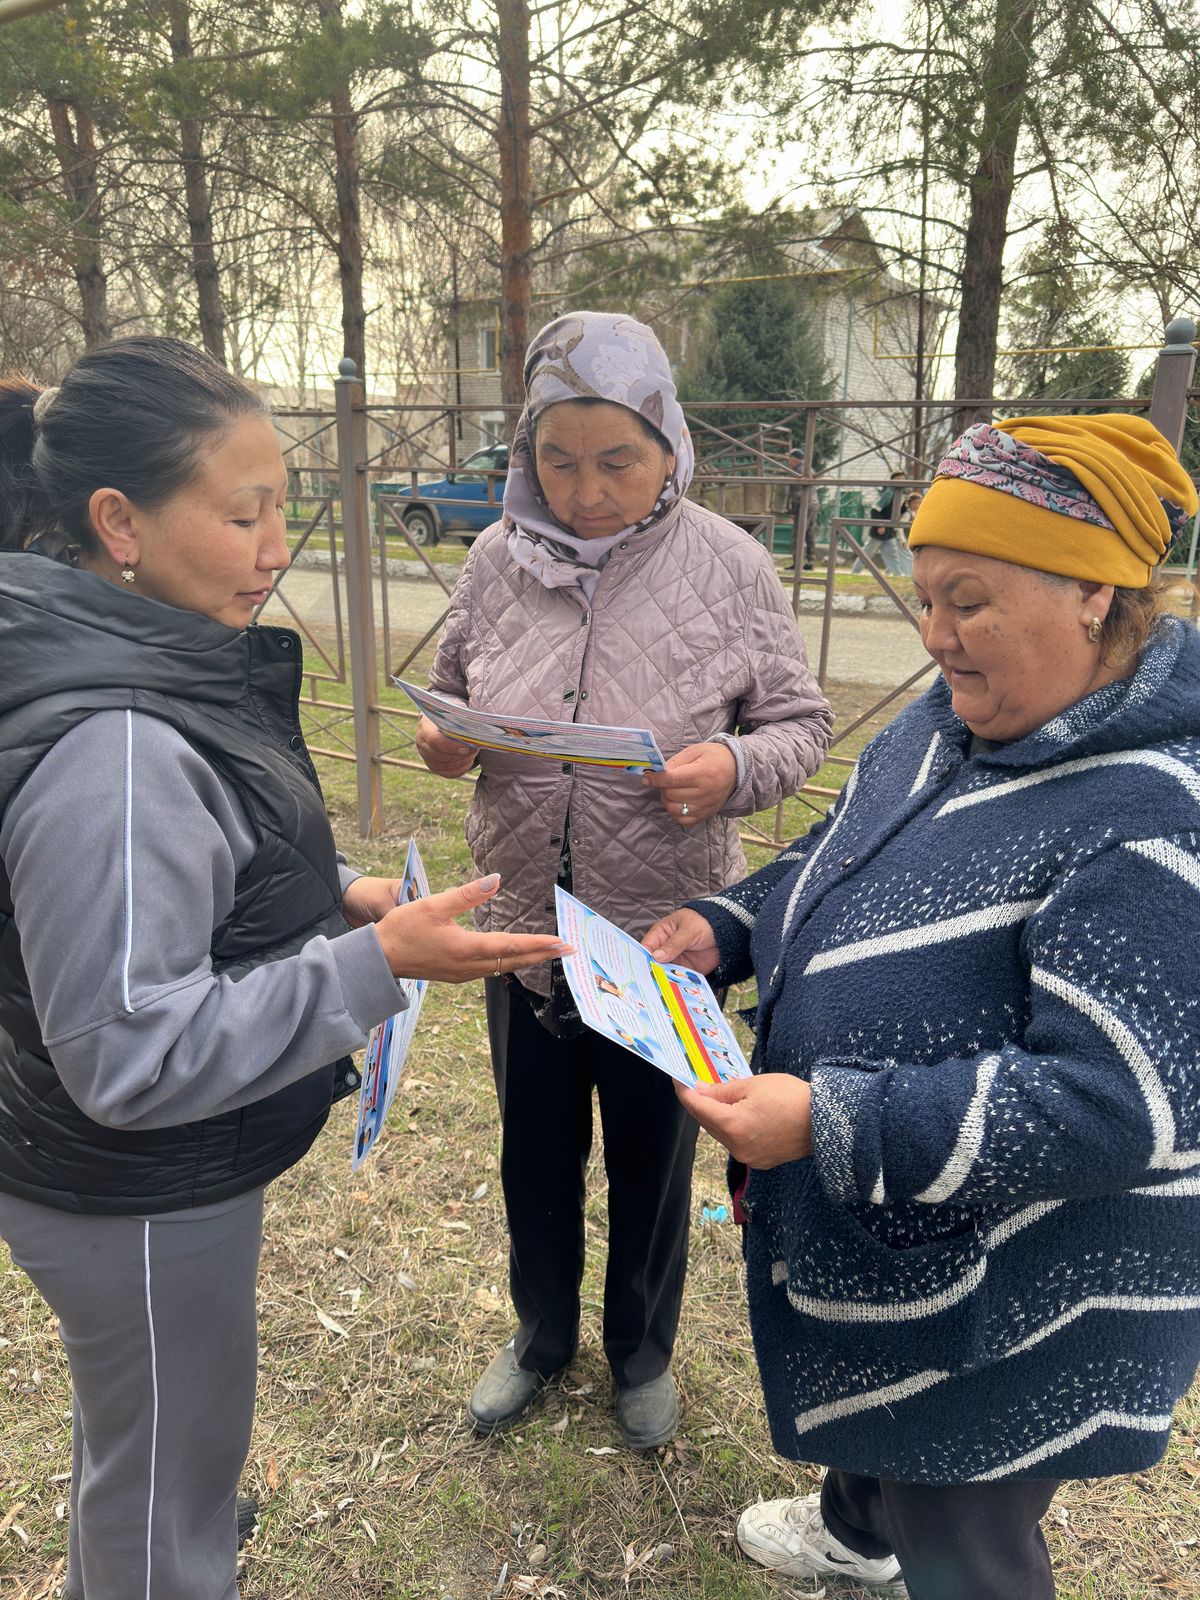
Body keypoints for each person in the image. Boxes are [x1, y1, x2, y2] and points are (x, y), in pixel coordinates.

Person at [0, 337, 568, 1600]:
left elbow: (181, 896)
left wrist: (325, 903)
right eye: (244, 514)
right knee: (164, 1494)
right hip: (131, 1187)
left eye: (286, 509)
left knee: (145, 1446)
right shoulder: (119, 741)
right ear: (118, 520)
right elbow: (130, 1049)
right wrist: (369, 964)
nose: (277, 547)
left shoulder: (122, 648)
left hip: (119, 1173)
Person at [643, 413, 1200, 1598]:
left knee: (966, 1523)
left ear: (1096, 592)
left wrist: (831, 1123)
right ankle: (856, 1531)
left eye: (970, 598)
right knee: (881, 1410)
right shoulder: (952, 722)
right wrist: (730, 923)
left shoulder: (1152, 815)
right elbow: (844, 859)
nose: (935, 633)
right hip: (898, 1240)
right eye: (925, 594)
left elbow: (1118, 1103)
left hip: (1006, 1293)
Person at [415, 310, 833, 1448]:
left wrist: (734, 766)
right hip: (523, 925)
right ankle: (541, 1334)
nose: (586, 489)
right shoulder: (498, 556)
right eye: (559, 459)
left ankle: (639, 1351)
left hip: (661, 932)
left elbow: (800, 722)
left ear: (669, 443)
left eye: (617, 460)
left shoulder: (730, 566)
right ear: (525, 453)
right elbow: (449, 688)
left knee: (655, 1161)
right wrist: (443, 744)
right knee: (532, 1150)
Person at [851, 466, 912, 575]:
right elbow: (875, 509)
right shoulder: (889, 492)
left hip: (889, 530)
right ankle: (855, 572)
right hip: (880, 530)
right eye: (898, 479)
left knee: (892, 554)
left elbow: (900, 510)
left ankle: (897, 575)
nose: (901, 481)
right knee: (867, 553)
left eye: (903, 479)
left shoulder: (900, 494)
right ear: (892, 480)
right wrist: (880, 525)